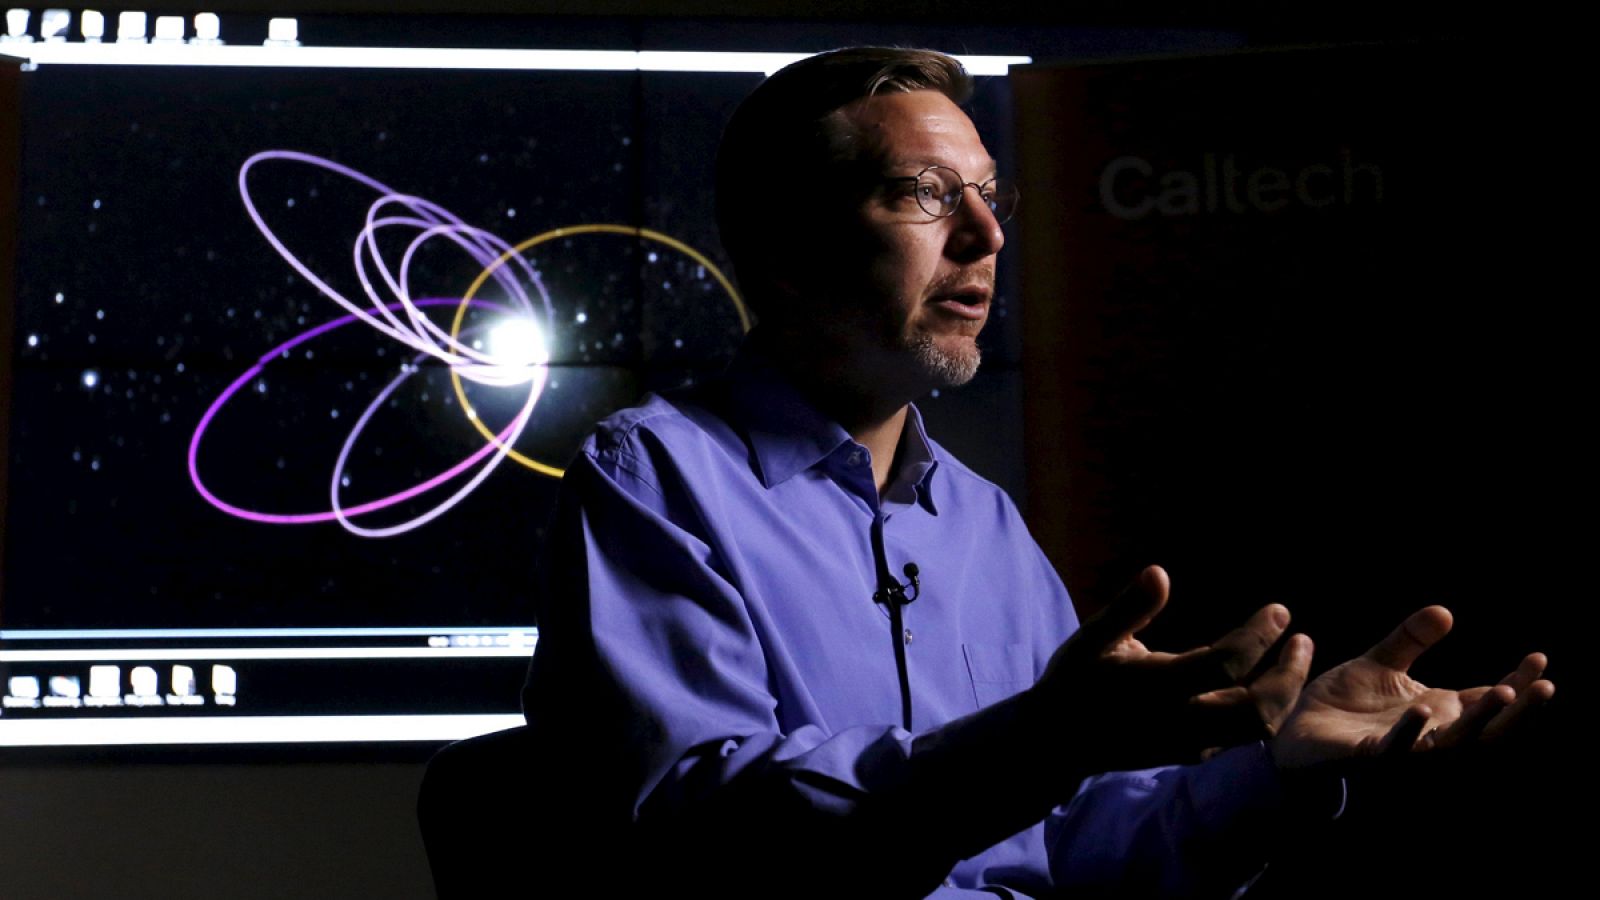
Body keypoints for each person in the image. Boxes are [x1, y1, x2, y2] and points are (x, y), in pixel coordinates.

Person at [520, 47, 1553, 898]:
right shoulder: (654, 477)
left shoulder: (985, 523)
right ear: (783, 243)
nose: (986, 235)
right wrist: (1034, 743)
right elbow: (699, 826)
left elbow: (1071, 842)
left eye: (988, 195)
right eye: (924, 194)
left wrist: (1282, 772)